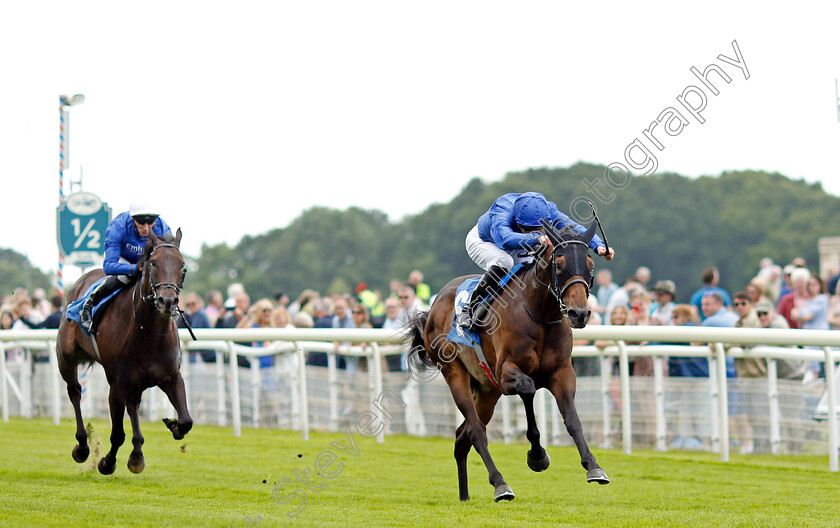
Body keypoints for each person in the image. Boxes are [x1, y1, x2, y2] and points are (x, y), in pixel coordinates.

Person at [459, 192, 614, 330]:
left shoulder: (548, 210)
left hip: (519, 242)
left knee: (541, 264)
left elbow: (576, 228)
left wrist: (598, 246)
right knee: (504, 261)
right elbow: (504, 239)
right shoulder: (502, 211)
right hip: (486, 241)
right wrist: (536, 237)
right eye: (527, 228)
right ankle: (470, 307)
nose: (532, 231)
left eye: (537, 228)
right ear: (515, 218)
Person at [79, 202, 172, 333]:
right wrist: (134, 269)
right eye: (141, 222)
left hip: (148, 260)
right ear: (133, 219)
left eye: (150, 222)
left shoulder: (163, 228)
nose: (146, 228)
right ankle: (90, 303)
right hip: (124, 260)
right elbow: (109, 266)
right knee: (126, 276)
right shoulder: (118, 227)